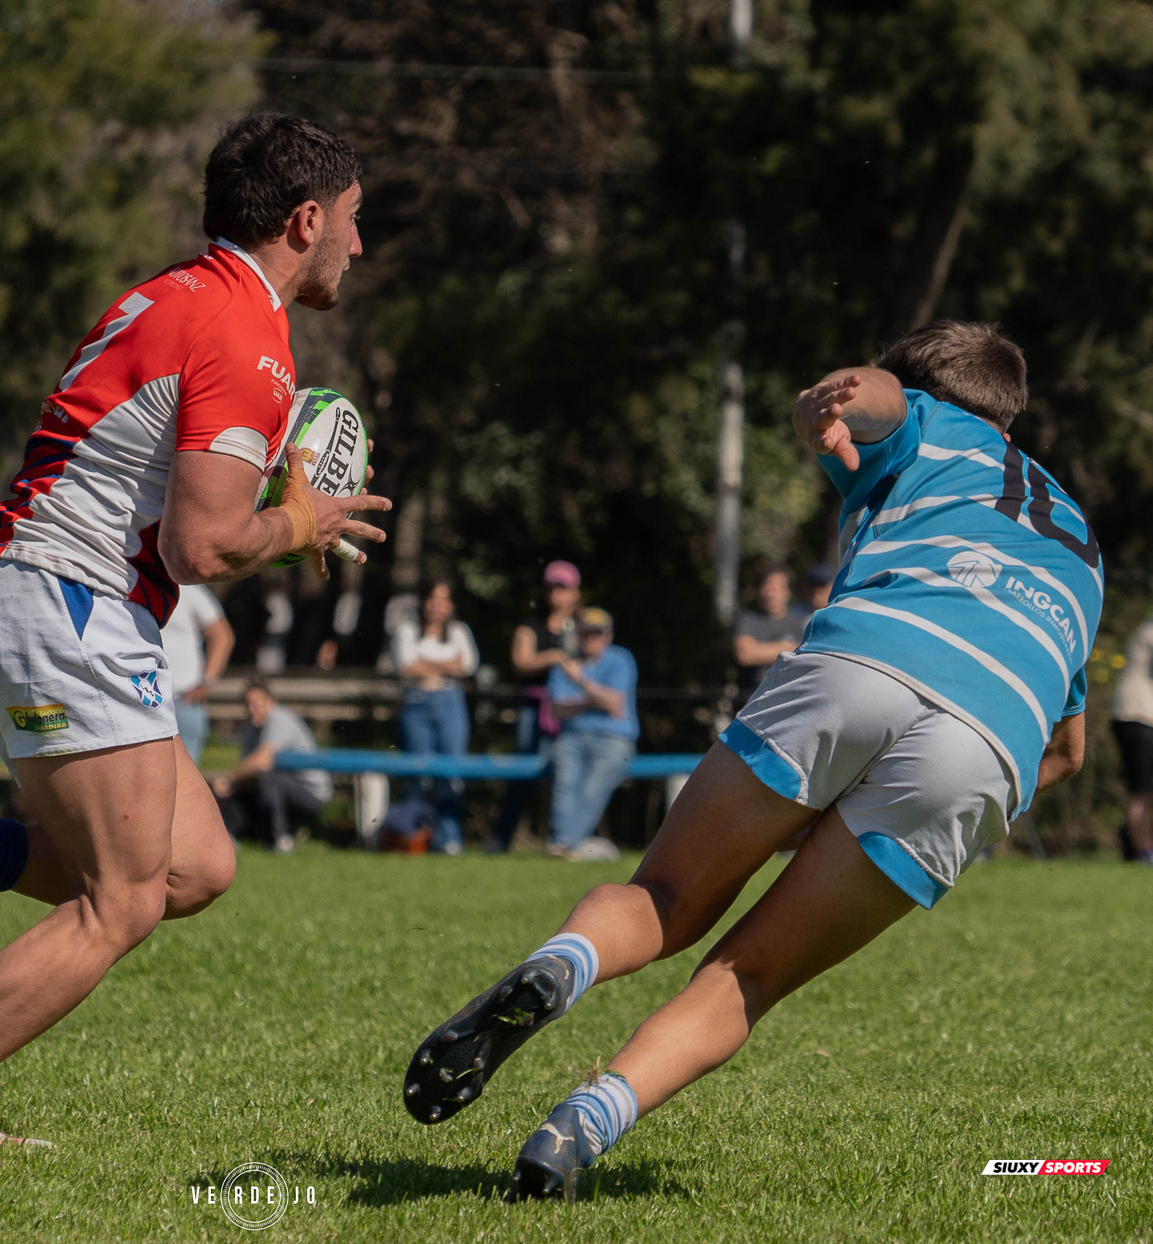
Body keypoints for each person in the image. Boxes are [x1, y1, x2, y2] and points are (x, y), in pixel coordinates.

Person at [402, 321, 1100, 1202]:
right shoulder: (1078, 540)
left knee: (666, 896)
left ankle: (564, 964)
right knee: (751, 976)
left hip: (865, 662)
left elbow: (877, 397)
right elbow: (1067, 752)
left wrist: (826, 403)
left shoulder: (932, 420)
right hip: (988, 746)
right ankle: (582, 1125)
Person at [0, 113, 389, 1145]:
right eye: (354, 220)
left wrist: (278, 507)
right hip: (69, 607)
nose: (359, 244)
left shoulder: (179, 292)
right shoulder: (246, 334)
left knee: (196, 866)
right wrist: (299, 523)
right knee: (124, 898)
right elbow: (203, 545)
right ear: (307, 221)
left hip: (44, 601)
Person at [489, 560, 583, 851]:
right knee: (523, 773)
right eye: (552, 587)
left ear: (575, 592)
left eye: (563, 588)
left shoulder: (583, 627)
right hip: (535, 708)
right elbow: (521, 661)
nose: (557, 594)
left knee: (569, 774)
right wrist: (554, 657)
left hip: (573, 708)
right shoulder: (531, 625)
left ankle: (565, 840)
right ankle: (500, 840)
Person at [391, 580, 479, 854]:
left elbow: (468, 665)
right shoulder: (407, 629)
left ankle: (448, 840)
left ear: (451, 605)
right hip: (416, 704)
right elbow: (405, 667)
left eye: (444, 599)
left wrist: (424, 664)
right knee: (417, 772)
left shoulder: (459, 631)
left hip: (451, 703)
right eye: (433, 598)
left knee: (450, 773)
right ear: (424, 602)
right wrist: (447, 666)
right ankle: (413, 837)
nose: (438, 605)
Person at [545, 608, 637, 861]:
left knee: (592, 789)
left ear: (608, 636)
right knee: (565, 786)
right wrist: (595, 699)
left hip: (614, 739)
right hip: (572, 736)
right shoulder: (566, 661)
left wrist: (581, 682)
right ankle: (564, 845)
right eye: (586, 633)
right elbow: (556, 709)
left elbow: (615, 704)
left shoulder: (620, 659)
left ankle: (565, 845)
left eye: (597, 634)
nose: (590, 639)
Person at [211, 680, 331, 853]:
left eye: (257, 703)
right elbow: (247, 771)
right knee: (234, 790)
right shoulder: (249, 730)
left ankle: (280, 839)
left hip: (311, 791)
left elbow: (262, 761)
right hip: (280, 787)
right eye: (248, 704)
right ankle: (228, 837)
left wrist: (228, 779)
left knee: (267, 779)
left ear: (271, 701)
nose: (253, 709)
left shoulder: (280, 719)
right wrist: (229, 786)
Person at [161, 585, 235, 763]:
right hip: (141, 696)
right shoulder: (128, 582)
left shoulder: (190, 589)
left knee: (186, 770)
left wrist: (206, 682)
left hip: (183, 699)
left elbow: (222, 636)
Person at [1111, 615, 1153, 865]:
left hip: (1137, 716)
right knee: (1141, 790)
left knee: (1145, 790)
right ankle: (1142, 853)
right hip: (1137, 716)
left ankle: (1142, 849)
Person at [732, 564, 809, 695]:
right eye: (766, 587)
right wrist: (789, 648)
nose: (770, 593)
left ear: (787, 592)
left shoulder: (799, 623)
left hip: (787, 697)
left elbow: (807, 656)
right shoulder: (748, 619)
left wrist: (761, 650)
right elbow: (745, 654)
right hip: (751, 697)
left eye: (775, 588)